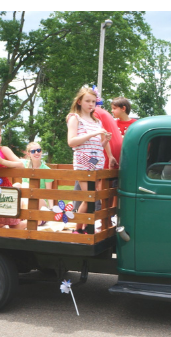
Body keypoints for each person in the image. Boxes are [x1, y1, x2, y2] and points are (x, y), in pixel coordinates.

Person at [67, 86, 117, 234]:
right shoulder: (74, 118)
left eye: (94, 102)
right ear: (80, 102)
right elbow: (72, 142)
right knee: (89, 197)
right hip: (83, 161)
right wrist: (94, 133)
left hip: (96, 160)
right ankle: (80, 228)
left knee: (92, 195)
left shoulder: (96, 121)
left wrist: (106, 142)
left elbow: (97, 145)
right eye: (88, 101)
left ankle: (83, 228)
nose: (91, 104)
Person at [21, 142, 53, 223]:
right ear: (28, 154)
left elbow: (49, 192)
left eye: (39, 150)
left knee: (32, 192)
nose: (36, 153)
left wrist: (51, 209)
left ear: (41, 152)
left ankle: (28, 218)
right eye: (33, 151)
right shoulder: (24, 165)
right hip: (25, 201)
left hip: (40, 202)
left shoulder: (46, 170)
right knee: (18, 185)